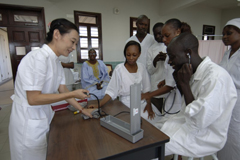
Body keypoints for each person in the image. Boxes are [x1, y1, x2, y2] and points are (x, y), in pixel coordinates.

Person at [8, 18, 94, 160]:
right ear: (57, 34)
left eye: (76, 44)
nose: (74, 47)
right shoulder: (37, 59)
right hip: (28, 122)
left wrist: (83, 110)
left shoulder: (56, 62)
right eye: (72, 42)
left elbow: (63, 90)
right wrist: (74, 93)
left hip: (42, 119)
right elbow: (33, 98)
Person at [160, 32, 237, 157]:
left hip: (205, 136)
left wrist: (185, 85)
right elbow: (187, 109)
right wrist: (181, 84)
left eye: (172, 56)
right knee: (151, 132)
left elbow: (199, 121)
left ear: (188, 53)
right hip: (187, 124)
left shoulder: (216, 77)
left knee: (151, 147)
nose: (169, 62)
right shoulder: (191, 72)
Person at [91, 40, 162, 124]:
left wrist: (149, 105)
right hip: (126, 105)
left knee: (156, 121)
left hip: (142, 103)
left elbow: (147, 90)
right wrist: (99, 105)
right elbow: (111, 91)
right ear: (125, 54)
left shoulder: (142, 68)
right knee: (136, 122)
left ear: (139, 54)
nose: (131, 58)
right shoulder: (119, 69)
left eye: (134, 55)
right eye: (128, 55)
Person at [143, 18, 192, 119]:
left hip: (178, 95)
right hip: (165, 90)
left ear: (178, 32)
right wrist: (165, 80)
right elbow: (172, 77)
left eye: (166, 35)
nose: (162, 38)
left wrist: (148, 95)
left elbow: (171, 84)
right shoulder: (153, 49)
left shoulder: (177, 53)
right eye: (159, 35)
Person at [217, 18, 240, 160]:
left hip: (238, 103)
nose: (224, 37)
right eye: (223, 34)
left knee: (235, 136)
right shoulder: (227, 53)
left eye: (229, 33)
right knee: (224, 134)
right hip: (225, 100)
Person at [146, 22, 167, 112]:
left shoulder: (170, 46)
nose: (159, 36)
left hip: (168, 85)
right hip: (156, 86)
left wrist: (166, 58)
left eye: (160, 33)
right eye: (156, 34)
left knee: (168, 112)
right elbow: (150, 71)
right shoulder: (151, 49)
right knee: (156, 112)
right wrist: (155, 61)